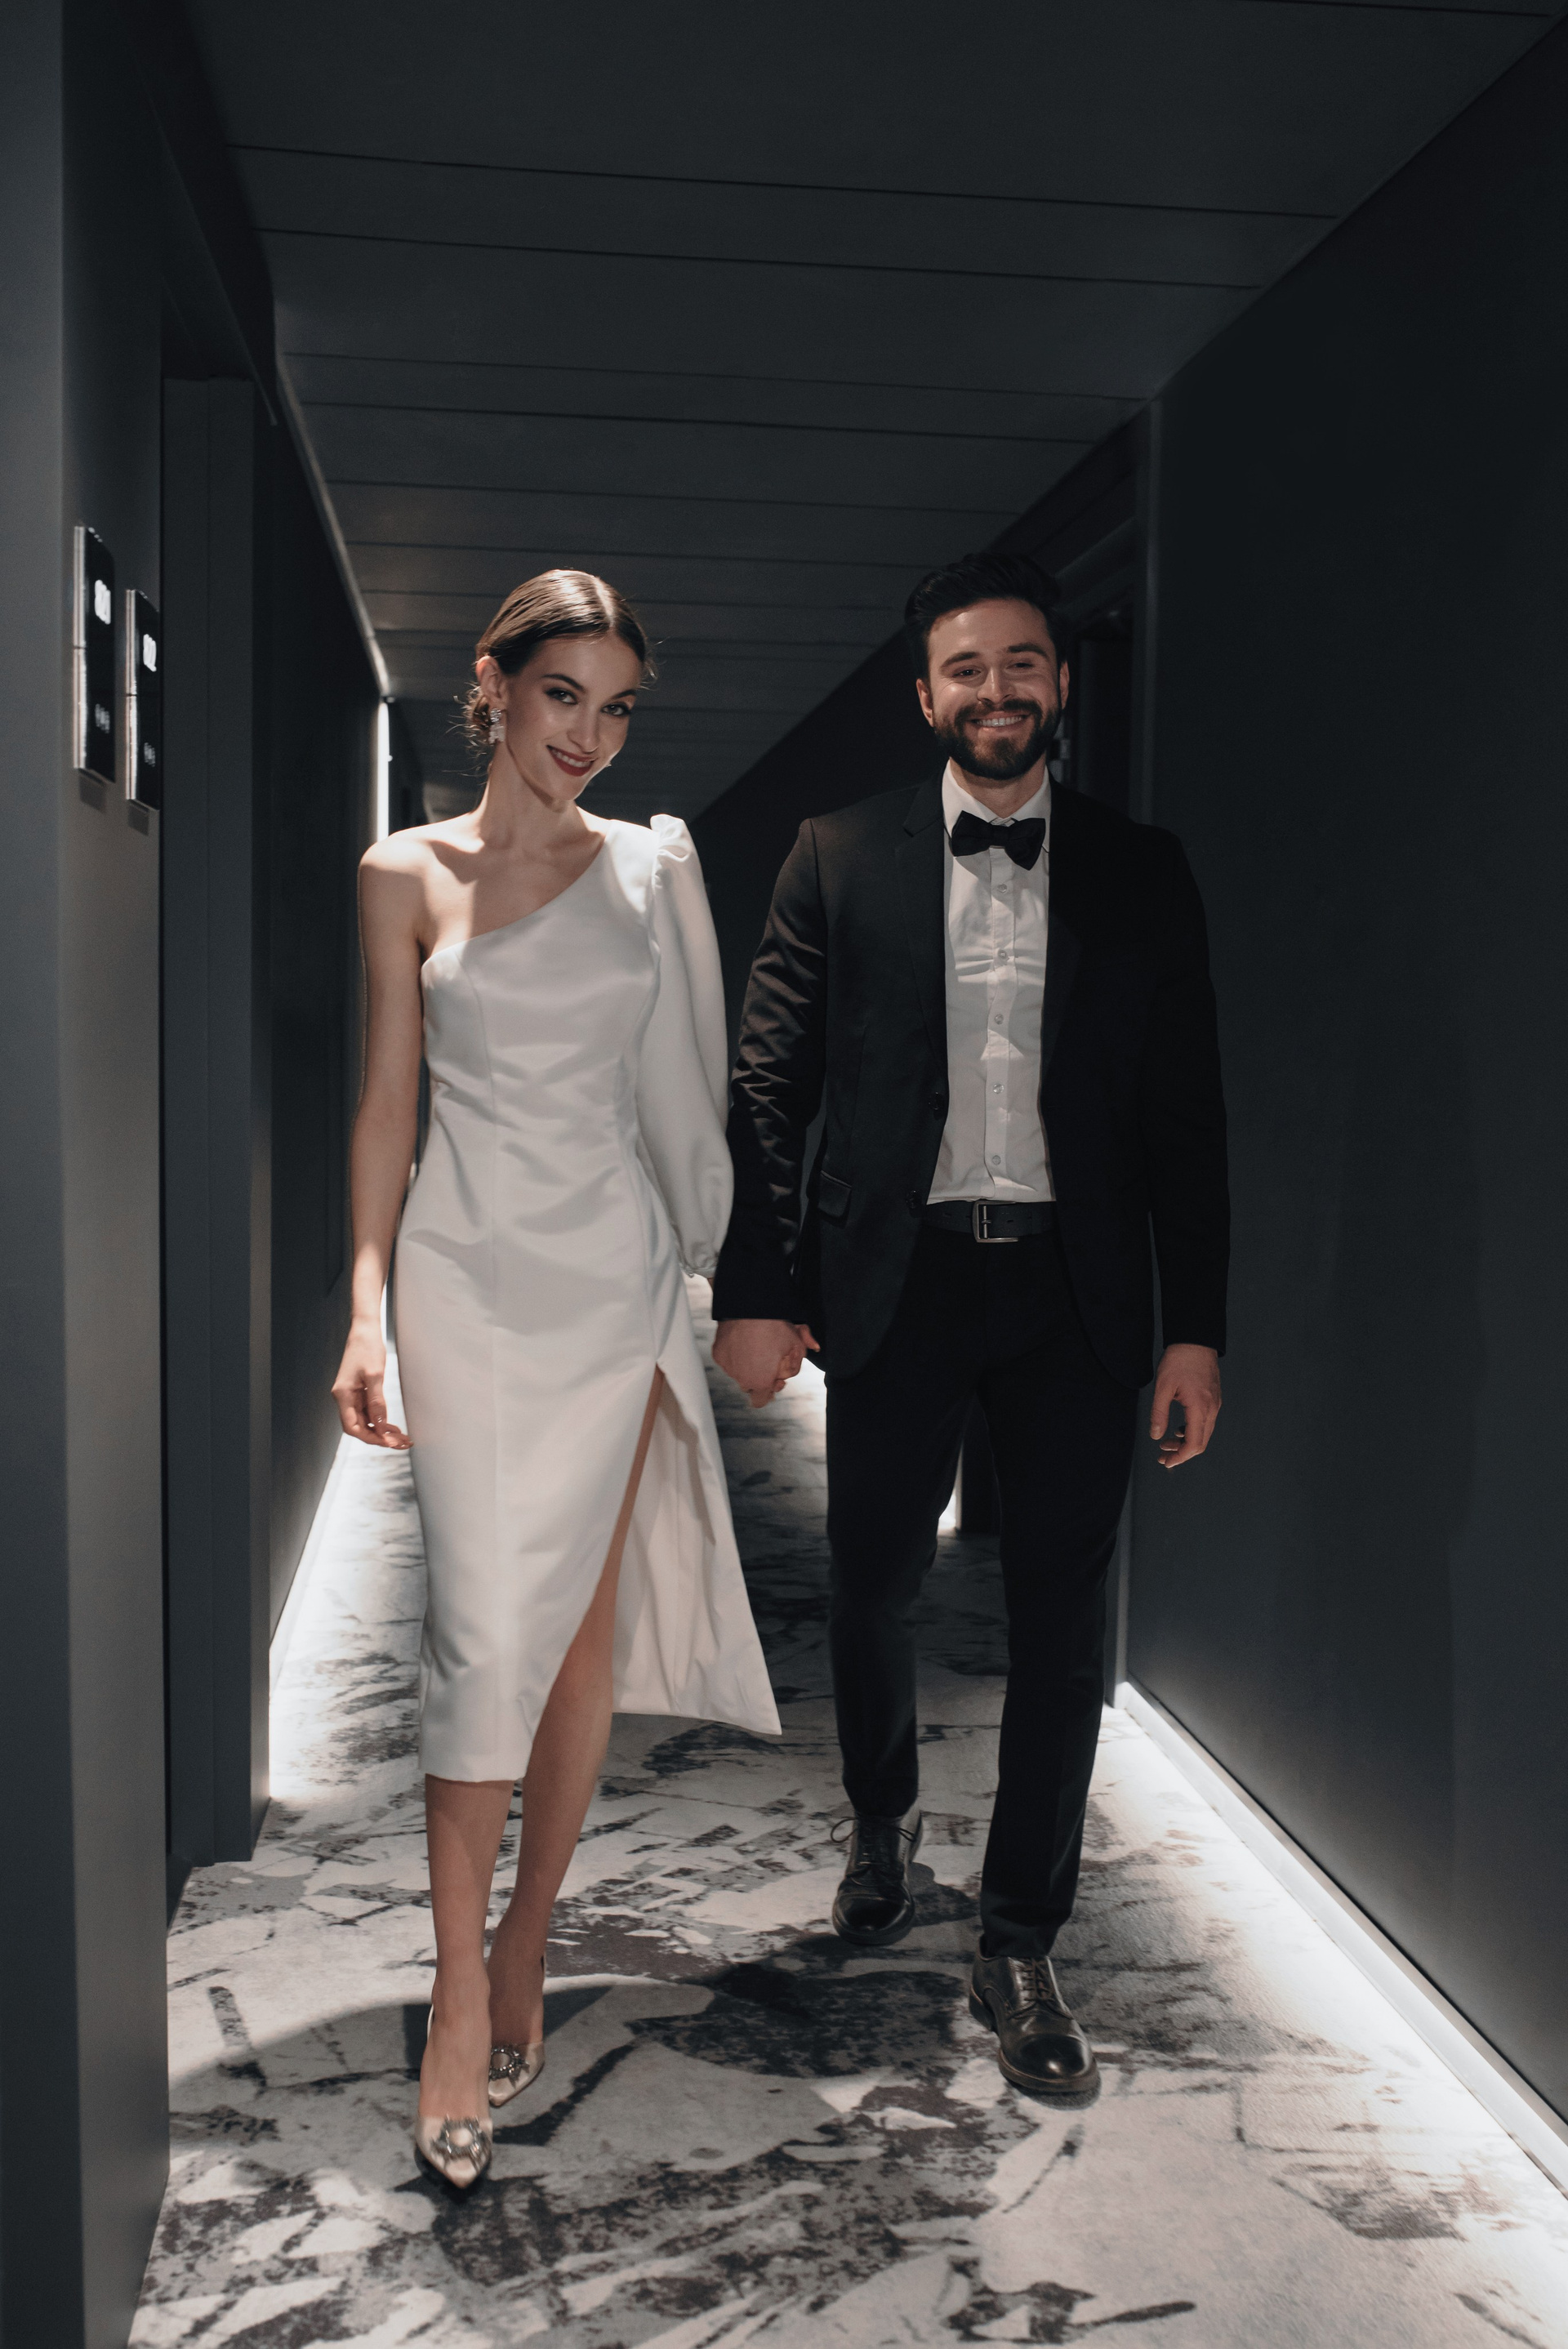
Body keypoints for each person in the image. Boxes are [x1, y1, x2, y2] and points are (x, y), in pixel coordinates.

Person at [711, 550, 1228, 2101]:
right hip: (902, 1282)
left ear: (1058, 682)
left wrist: (1196, 1327)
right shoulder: (837, 854)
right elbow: (769, 1089)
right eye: (966, 668)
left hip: (1078, 1296)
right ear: (925, 694)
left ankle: (1020, 1937)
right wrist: (759, 1288)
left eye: (1022, 664)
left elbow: (1189, 1116)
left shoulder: (1145, 868)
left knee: (1065, 1631)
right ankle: (881, 1828)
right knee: (871, 1586)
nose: (996, 691)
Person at [332, 569, 779, 2188]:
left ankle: (528, 1936)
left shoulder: (652, 871)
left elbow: (694, 1094)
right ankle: (459, 1993)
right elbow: (389, 1104)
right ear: (497, 686)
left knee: (579, 1638)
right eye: (564, 696)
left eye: (618, 708)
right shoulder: (404, 872)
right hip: (462, 1278)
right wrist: (366, 1310)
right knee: (479, 1633)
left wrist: (726, 1279)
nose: (589, 735)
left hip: (610, 1283)